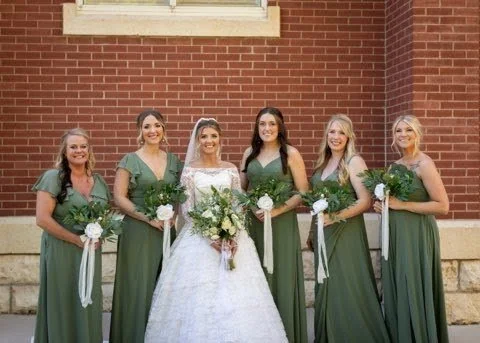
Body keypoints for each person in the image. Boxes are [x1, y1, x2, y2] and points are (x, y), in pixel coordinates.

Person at [144, 118, 288, 342]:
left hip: (232, 236)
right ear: (197, 140)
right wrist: (210, 236)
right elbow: (188, 209)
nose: (208, 140)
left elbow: (237, 204)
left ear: (220, 138)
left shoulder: (230, 169)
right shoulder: (190, 171)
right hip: (198, 239)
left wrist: (233, 235)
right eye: (203, 136)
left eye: (213, 136)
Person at [307, 114, 390, 342]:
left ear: (349, 136)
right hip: (324, 233)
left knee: (347, 284)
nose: (336, 137)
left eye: (341, 132)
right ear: (326, 135)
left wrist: (335, 217)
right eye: (332, 132)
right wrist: (312, 232)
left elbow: (364, 200)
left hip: (346, 233)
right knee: (327, 286)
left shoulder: (353, 161)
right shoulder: (322, 164)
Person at [374, 114, 449, 343]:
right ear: (393, 136)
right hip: (395, 235)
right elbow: (393, 201)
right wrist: (383, 205)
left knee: (414, 284)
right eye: (398, 131)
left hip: (416, 235)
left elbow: (442, 206)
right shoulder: (394, 166)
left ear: (417, 134)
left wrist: (402, 205)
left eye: (408, 130)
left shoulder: (424, 164)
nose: (403, 135)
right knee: (398, 285)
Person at [109, 110, 182, 343]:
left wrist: (174, 215)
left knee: (166, 286)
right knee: (137, 286)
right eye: (147, 126)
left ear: (164, 129)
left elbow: (181, 195)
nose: (153, 131)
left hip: (166, 231)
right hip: (138, 230)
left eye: (158, 126)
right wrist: (148, 218)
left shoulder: (174, 161)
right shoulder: (129, 160)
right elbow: (119, 197)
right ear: (140, 131)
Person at [32, 128, 110, 342]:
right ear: (64, 152)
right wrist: (76, 239)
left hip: (90, 252)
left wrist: (100, 233)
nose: (79, 151)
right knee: (63, 298)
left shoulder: (99, 181)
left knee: (89, 298)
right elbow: (42, 219)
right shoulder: (53, 178)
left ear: (89, 150)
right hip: (61, 250)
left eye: (83, 146)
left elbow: (104, 216)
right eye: (73, 147)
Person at [240, 107, 308, 343]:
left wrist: (276, 210)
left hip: (281, 225)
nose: (266, 128)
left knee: (280, 275)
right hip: (253, 225)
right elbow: (241, 189)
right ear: (257, 127)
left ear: (280, 127)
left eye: (271, 124)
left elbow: (303, 193)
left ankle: (285, 334)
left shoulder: (290, 153)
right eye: (262, 124)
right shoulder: (250, 152)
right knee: (254, 276)